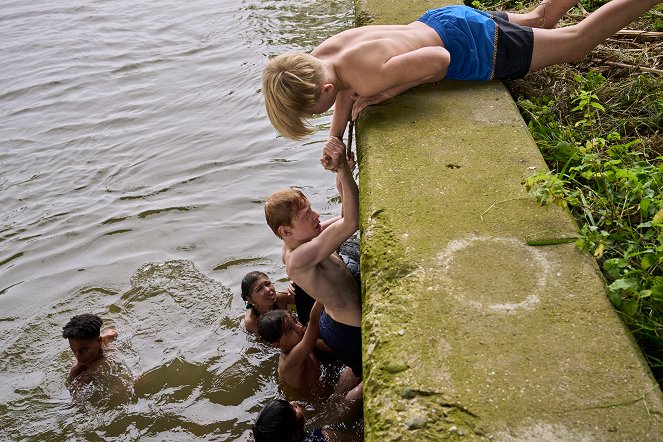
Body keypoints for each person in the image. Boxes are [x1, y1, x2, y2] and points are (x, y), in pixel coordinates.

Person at [262, 0, 662, 140]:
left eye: (315, 112)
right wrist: (337, 137)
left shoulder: (366, 80)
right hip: (446, 19)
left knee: (578, 42)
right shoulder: (326, 52)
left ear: (327, 89)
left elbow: (439, 62)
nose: (323, 116)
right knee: (541, 18)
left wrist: (387, 93)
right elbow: (344, 92)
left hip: (476, 47)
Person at [264, 137, 362, 384]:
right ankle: (338, 412)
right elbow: (352, 222)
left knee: (357, 371)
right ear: (285, 231)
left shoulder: (300, 240)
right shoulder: (297, 259)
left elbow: (343, 219)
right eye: (307, 215)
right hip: (348, 329)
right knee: (367, 378)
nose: (316, 215)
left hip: (335, 321)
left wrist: (343, 176)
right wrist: (340, 169)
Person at [258, 301, 324, 389]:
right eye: (290, 329)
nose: (299, 327)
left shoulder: (298, 342)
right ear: (278, 344)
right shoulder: (290, 360)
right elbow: (314, 321)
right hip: (313, 396)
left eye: (295, 320)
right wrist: (321, 298)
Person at [252, 399, 362, 442]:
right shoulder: (324, 437)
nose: (294, 403)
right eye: (293, 410)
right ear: (295, 435)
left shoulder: (263, 437)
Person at [62, 313, 118, 381]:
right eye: (73, 350)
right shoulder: (77, 372)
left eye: (84, 350)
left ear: (99, 341)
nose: (78, 356)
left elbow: (113, 332)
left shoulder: (105, 339)